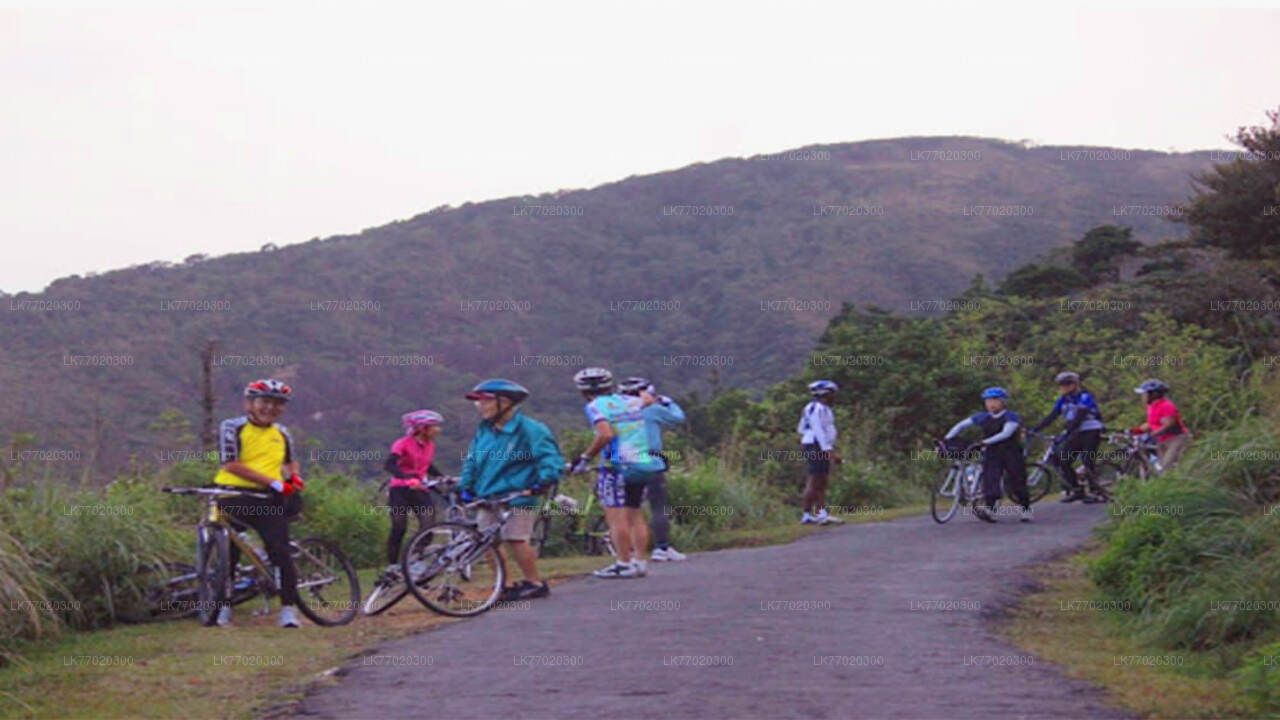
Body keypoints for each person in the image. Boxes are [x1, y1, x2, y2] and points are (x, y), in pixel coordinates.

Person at [458, 379, 564, 601]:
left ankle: (534, 583)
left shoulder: (530, 429)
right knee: (487, 541)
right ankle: (503, 585)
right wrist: (465, 487)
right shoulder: (485, 430)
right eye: (478, 403)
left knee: (516, 538)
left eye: (484, 402)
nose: (480, 407)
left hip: (519, 493)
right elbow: (471, 460)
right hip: (487, 494)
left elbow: (549, 458)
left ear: (504, 402)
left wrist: (544, 482)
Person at [211, 378, 306, 628]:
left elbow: (290, 461)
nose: (270, 408)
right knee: (227, 556)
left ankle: (288, 610)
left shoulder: (282, 432)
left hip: (268, 500)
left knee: (281, 553)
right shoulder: (232, 427)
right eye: (264, 402)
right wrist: (273, 482)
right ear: (249, 403)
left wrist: (293, 477)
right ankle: (223, 607)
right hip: (235, 496)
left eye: (278, 404)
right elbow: (230, 463)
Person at [569, 367, 665, 579]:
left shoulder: (595, 406)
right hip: (641, 462)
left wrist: (585, 458)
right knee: (636, 514)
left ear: (583, 391)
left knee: (616, 517)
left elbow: (605, 434)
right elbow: (648, 399)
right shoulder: (627, 401)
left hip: (615, 465)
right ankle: (640, 561)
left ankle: (623, 562)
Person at [619, 376, 687, 562]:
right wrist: (667, 401)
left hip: (626, 463)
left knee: (630, 509)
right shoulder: (653, 410)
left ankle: (630, 552)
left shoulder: (617, 413)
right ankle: (662, 548)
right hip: (651, 462)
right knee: (658, 506)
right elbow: (678, 418)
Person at [943, 387, 1032, 523]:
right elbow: (960, 426)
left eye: (995, 400)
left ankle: (1026, 509)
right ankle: (990, 509)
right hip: (992, 452)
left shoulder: (1011, 417)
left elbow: (1006, 434)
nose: (991, 404)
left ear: (1003, 402)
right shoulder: (982, 417)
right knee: (990, 480)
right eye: (988, 401)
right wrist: (947, 439)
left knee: (1017, 482)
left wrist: (984, 442)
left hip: (1011, 452)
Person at [380, 409, 445, 580]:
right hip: (400, 490)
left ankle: (415, 559)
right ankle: (392, 566)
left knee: (428, 525)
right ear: (422, 428)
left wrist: (443, 479)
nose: (438, 430)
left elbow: (428, 466)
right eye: (434, 427)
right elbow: (390, 465)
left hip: (420, 490)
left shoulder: (430, 446)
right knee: (399, 526)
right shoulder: (402, 443)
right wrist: (406, 477)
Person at [1030, 371, 1106, 503]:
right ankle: (1078, 491)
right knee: (1063, 461)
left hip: (1091, 431)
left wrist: (1066, 434)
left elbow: (1079, 417)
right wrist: (1034, 429)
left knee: (1087, 460)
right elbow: (1052, 416)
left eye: (1067, 384)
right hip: (1075, 432)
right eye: (1061, 385)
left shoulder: (1085, 397)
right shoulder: (1063, 400)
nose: (1063, 387)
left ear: (1075, 384)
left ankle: (1096, 492)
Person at [796, 380, 841, 524]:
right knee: (816, 479)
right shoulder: (817, 408)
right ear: (825, 394)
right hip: (816, 445)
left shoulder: (815, 408)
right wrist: (828, 449)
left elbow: (801, 428)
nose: (834, 397)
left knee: (821, 479)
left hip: (814, 444)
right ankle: (813, 514)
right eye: (832, 394)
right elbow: (818, 429)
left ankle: (815, 513)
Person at [1131, 378, 1191, 471]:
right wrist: (1137, 430)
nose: (1143, 397)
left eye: (1145, 394)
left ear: (1154, 394)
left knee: (1166, 466)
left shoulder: (1167, 406)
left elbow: (1168, 424)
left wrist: (1153, 434)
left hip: (1175, 438)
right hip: (1161, 439)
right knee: (1160, 467)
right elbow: (1151, 423)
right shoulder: (1151, 407)